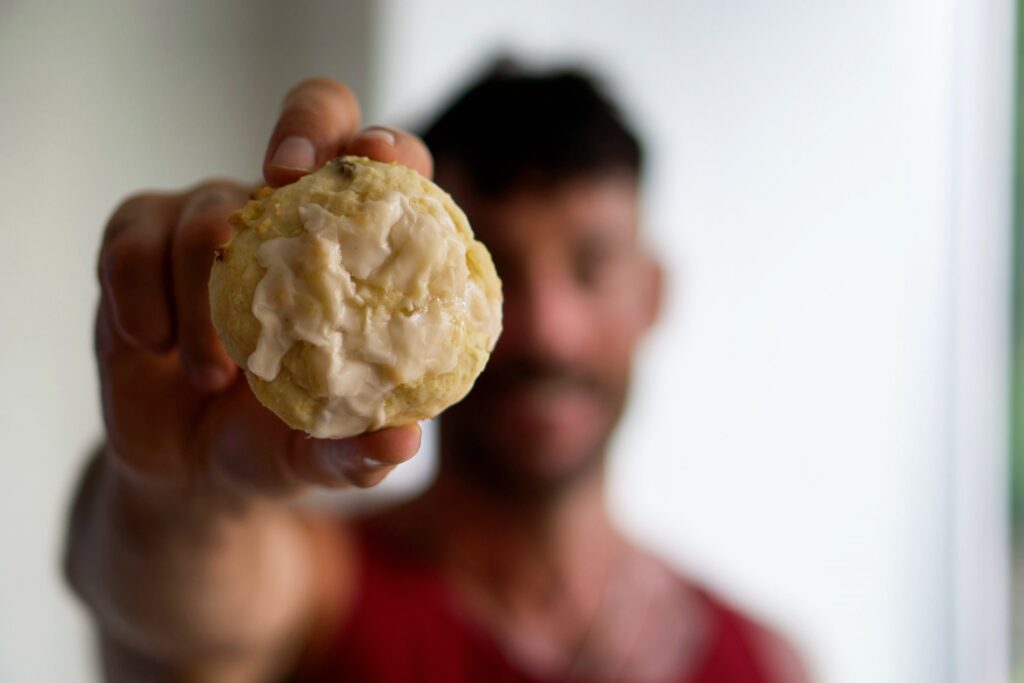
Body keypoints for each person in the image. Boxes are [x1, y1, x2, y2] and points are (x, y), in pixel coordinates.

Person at [64, 63, 810, 682]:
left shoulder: (765, 660)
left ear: (652, 294)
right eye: (499, 266)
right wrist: (173, 500)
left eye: (592, 268)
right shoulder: (323, 592)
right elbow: (179, 621)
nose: (546, 329)